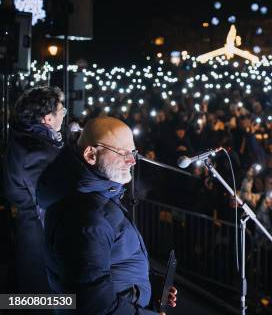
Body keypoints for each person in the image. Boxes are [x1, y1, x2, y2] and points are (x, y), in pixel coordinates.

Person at [38, 117, 177, 314]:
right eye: (122, 153)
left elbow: (113, 260)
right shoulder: (84, 216)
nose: (132, 160)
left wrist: (147, 284)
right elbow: (93, 304)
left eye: (133, 152)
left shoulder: (99, 195)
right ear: (91, 155)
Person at [3, 86, 65, 293]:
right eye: (61, 109)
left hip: (30, 238)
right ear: (48, 118)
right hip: (39, 244)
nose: (64, 113)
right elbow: (48, 203)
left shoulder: (28, 141)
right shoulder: (35, 152)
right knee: (41, 301)